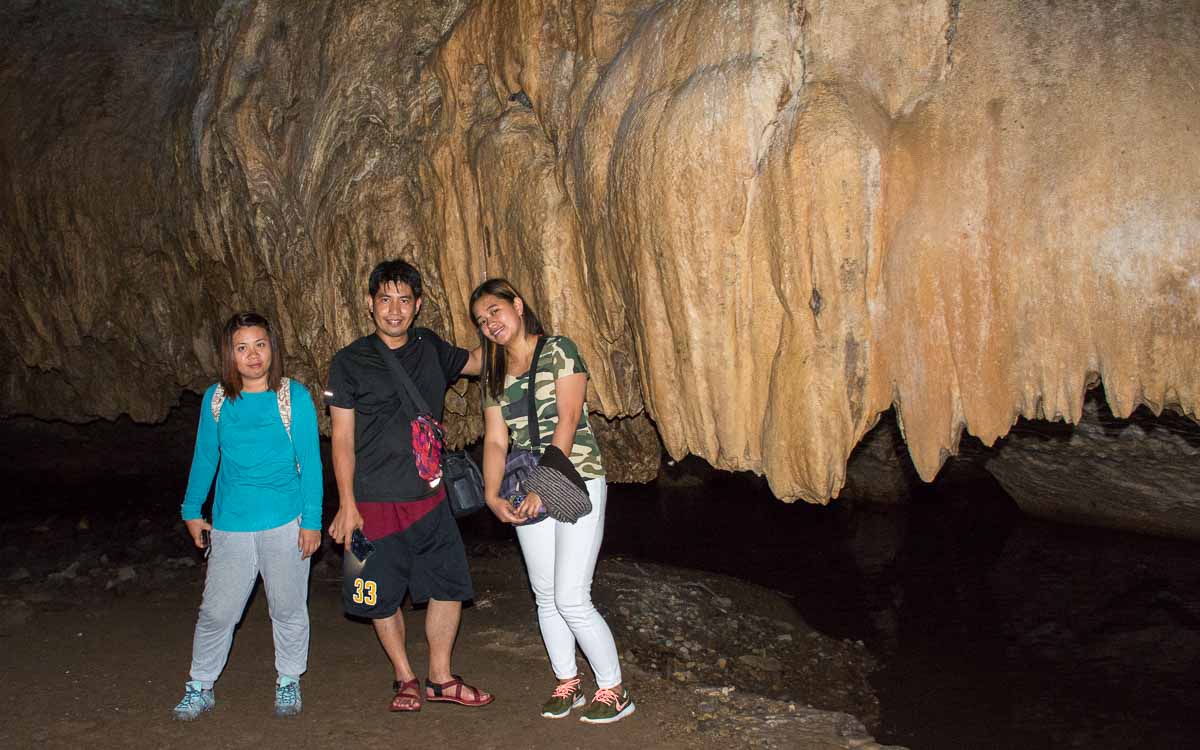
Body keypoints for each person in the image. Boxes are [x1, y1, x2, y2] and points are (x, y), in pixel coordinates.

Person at [325, 259, 492, 712]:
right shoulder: (348, 362)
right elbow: (342, 439)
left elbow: (480, 361)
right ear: (369, 305)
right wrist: (346, 504)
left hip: (429, 496)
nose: (394, 310)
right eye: (385, 300)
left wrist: (511, 329)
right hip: (371, 503)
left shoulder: (430, 347)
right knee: (375, 596)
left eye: (404, 300)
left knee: (449, 584)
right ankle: (404, 677)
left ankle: (440, 678)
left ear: (417, 306)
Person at [470, 278, 635, 724]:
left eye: (495, 312)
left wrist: (546, 482)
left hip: (575, 476)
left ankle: (614, 690)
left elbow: (569, 417)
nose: (490, 324)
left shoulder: (560, 349)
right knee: (544, 593)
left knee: (571, 595)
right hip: (525, 484)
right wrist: (490, 493)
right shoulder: (493, 374)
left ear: (517, 306)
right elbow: (496, 441)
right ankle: (568, 682)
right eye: (482, 322)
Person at [173, 312, 324, 720]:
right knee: (217, 612)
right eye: (242, 347)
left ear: (272, 348)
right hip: (231, 524)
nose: (253, 355)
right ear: (230, 354)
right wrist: (191, 510)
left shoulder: (294, 398)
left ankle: (289, 680)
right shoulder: (217, 399)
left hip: (285, 521)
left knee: (288, 607)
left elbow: (310, 462)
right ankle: (200, 685)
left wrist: (312, 521)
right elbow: (205, 457)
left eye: (260, 344)